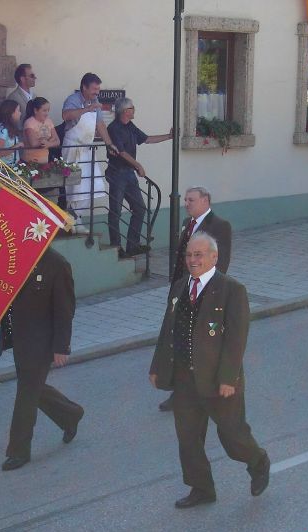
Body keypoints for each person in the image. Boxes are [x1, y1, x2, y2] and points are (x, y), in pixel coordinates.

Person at [149, 233, 270, 508]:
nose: (193, 260)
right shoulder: (180, 286)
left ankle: (257, 460)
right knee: (188, 438)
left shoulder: (231, 289)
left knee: (232, 434)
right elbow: (168, 330)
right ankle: (201, 488)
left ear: (214, 257)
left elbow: (236, 339)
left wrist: (228, 378)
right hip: (184, 377)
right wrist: (158, 367)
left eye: (199, 255)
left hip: (218, 379)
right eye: (189, 255)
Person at [0, 248, 84, 471]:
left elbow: (65, 310)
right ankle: (70, 414)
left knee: (27, 392)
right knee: (32, 388)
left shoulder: (57, 263)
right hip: (21, 338)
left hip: (42, 341)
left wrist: (61, 347)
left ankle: (18, 450)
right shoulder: (16, 257)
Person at [158, 186, 232, 412]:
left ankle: (209, 386)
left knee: (203, 343)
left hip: (202, 292)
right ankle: (180, 391)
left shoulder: (219, 226)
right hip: (182, 291)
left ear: (205, 201)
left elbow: (222, 261)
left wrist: (207, 291)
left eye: (191, 200)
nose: (186, 204)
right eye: (186, 200)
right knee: (180, 342)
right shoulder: (187, 224)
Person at [105, 97, 172, 257]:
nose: (134, 110)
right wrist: (138, 165)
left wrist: (169, 137)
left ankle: (132, 245)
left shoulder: (130, 126)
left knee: (140, 208)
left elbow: (146, 139)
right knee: (115, 210)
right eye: (132, 108)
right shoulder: (114, 128)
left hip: (128, 173)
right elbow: (121, 152)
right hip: (117, 172)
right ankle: (116, 247)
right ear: (125, 111)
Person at [61, 73, 119, 232]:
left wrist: (109, 144)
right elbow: (66, 115)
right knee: (75, 187)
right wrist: (87, 109)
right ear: (84, 87)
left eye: (98, 90)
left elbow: (100, 124)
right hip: (72, 148)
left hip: (87, 148)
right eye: (94, 89)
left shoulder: (95, 101)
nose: (96, 93)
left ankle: (74, 218)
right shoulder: (73, 99)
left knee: (93, 186)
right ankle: (72, 222)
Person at [23, 97, 60, 165]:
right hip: (30, 162)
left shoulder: (49, 121)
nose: (47, 113)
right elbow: (33, 143)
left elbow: (57, 141)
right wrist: (50, 140)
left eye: (48, 110)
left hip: (45, 160)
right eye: (44, 110)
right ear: (36, 110)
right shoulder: (29, 122)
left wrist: (48, 143)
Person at [0, 99, 24, 168]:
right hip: (3, 168)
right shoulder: (2, 131)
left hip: (12, 166)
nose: (20, 113)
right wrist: (16, 147)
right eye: (18, 110)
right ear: (11, 113)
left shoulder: (11, 128)